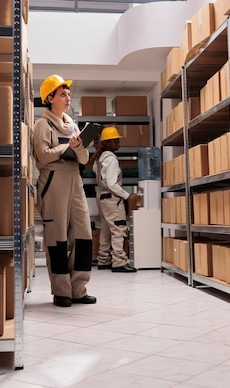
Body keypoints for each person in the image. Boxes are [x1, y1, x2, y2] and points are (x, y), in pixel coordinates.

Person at [33, 74, 96, 307]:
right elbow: (42, 155)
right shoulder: (42, 125)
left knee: (84, 237)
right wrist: (65, 147)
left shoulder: (72, 125)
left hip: (75, 182)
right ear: (50, 98)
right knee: (57, 239)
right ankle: (61, 291)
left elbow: (84, 158)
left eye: (69, 93)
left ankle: (79, 289)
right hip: (53, 183)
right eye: (62, 94)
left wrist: (78, 147)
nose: (68, 97)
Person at [92, 126, 141, 273]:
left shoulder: (100, 158)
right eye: (115, 142)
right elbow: (112, 184)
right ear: (107, 143)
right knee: (119, 228)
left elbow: (99, 176)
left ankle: (103, 260)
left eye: (118, 141)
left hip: (102, 197)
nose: (118, 144)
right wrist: (128, 196)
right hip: (112, 199)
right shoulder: (112, 159)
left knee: (106, 230)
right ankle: (119, 262)